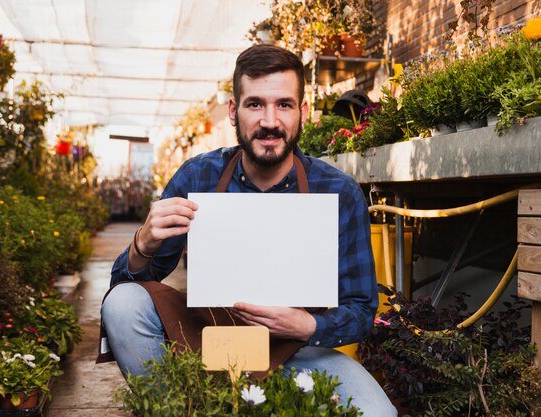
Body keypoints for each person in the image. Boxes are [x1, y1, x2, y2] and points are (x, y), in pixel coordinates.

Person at [99, 44, 396, 416]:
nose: (270, 121)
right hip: (205, 341)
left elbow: (361, 310)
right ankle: (178, 407)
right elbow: (126, 283)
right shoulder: (198, 176)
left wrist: (308, 324)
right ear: (233, 112)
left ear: (302, 112)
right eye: (255, 104)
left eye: (284, 105)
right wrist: (143, 244)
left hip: (296, 352)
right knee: (122, 303)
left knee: (378, 413)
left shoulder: (338, 192)